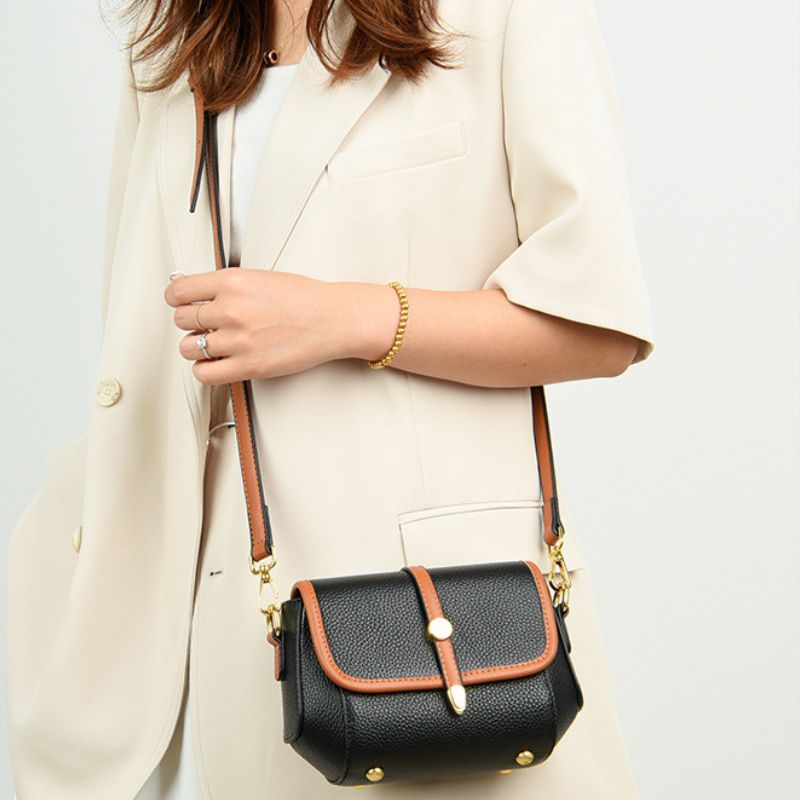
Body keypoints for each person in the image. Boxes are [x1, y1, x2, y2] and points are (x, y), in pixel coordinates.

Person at [5, 0, 656, 797]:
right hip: (217, 626)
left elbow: (598, 324)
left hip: (436, 632)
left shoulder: (507, 14)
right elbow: (143, 354)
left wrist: (349, 316)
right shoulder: (173, 44)